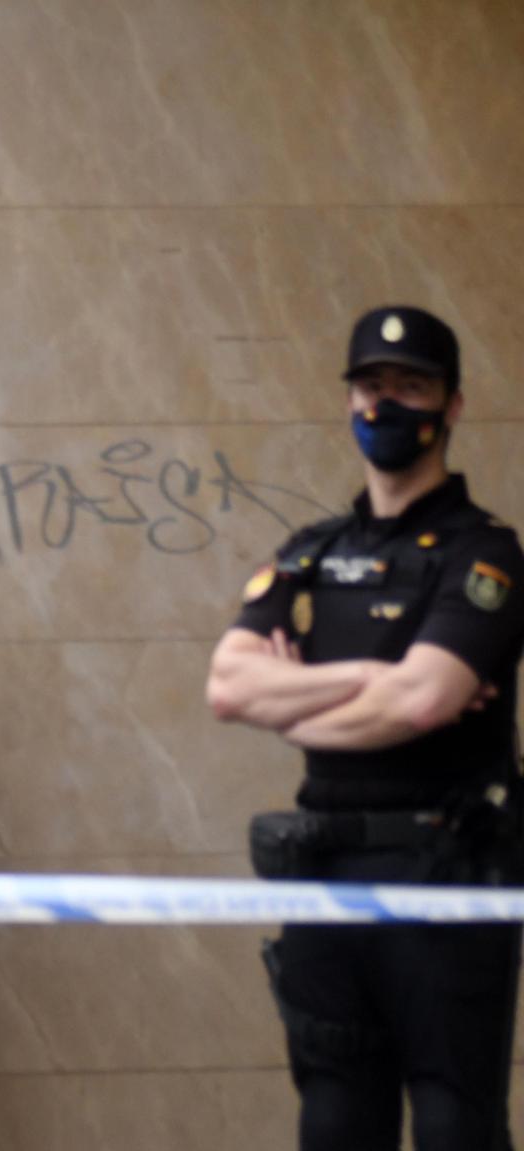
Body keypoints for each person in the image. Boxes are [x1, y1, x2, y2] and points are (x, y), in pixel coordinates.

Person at [206, 306, 524, 1151]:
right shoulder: (311, 552)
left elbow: (422, 702)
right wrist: (364, 678)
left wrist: (296, 698)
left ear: (452, 406)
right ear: (348, 400)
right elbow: (228, 687)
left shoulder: (483, 553)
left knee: (457, 1126)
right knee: (335, 1121)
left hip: (444, 874)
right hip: (324, 874)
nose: (385, 404)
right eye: (371, 386)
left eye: (411, 386)